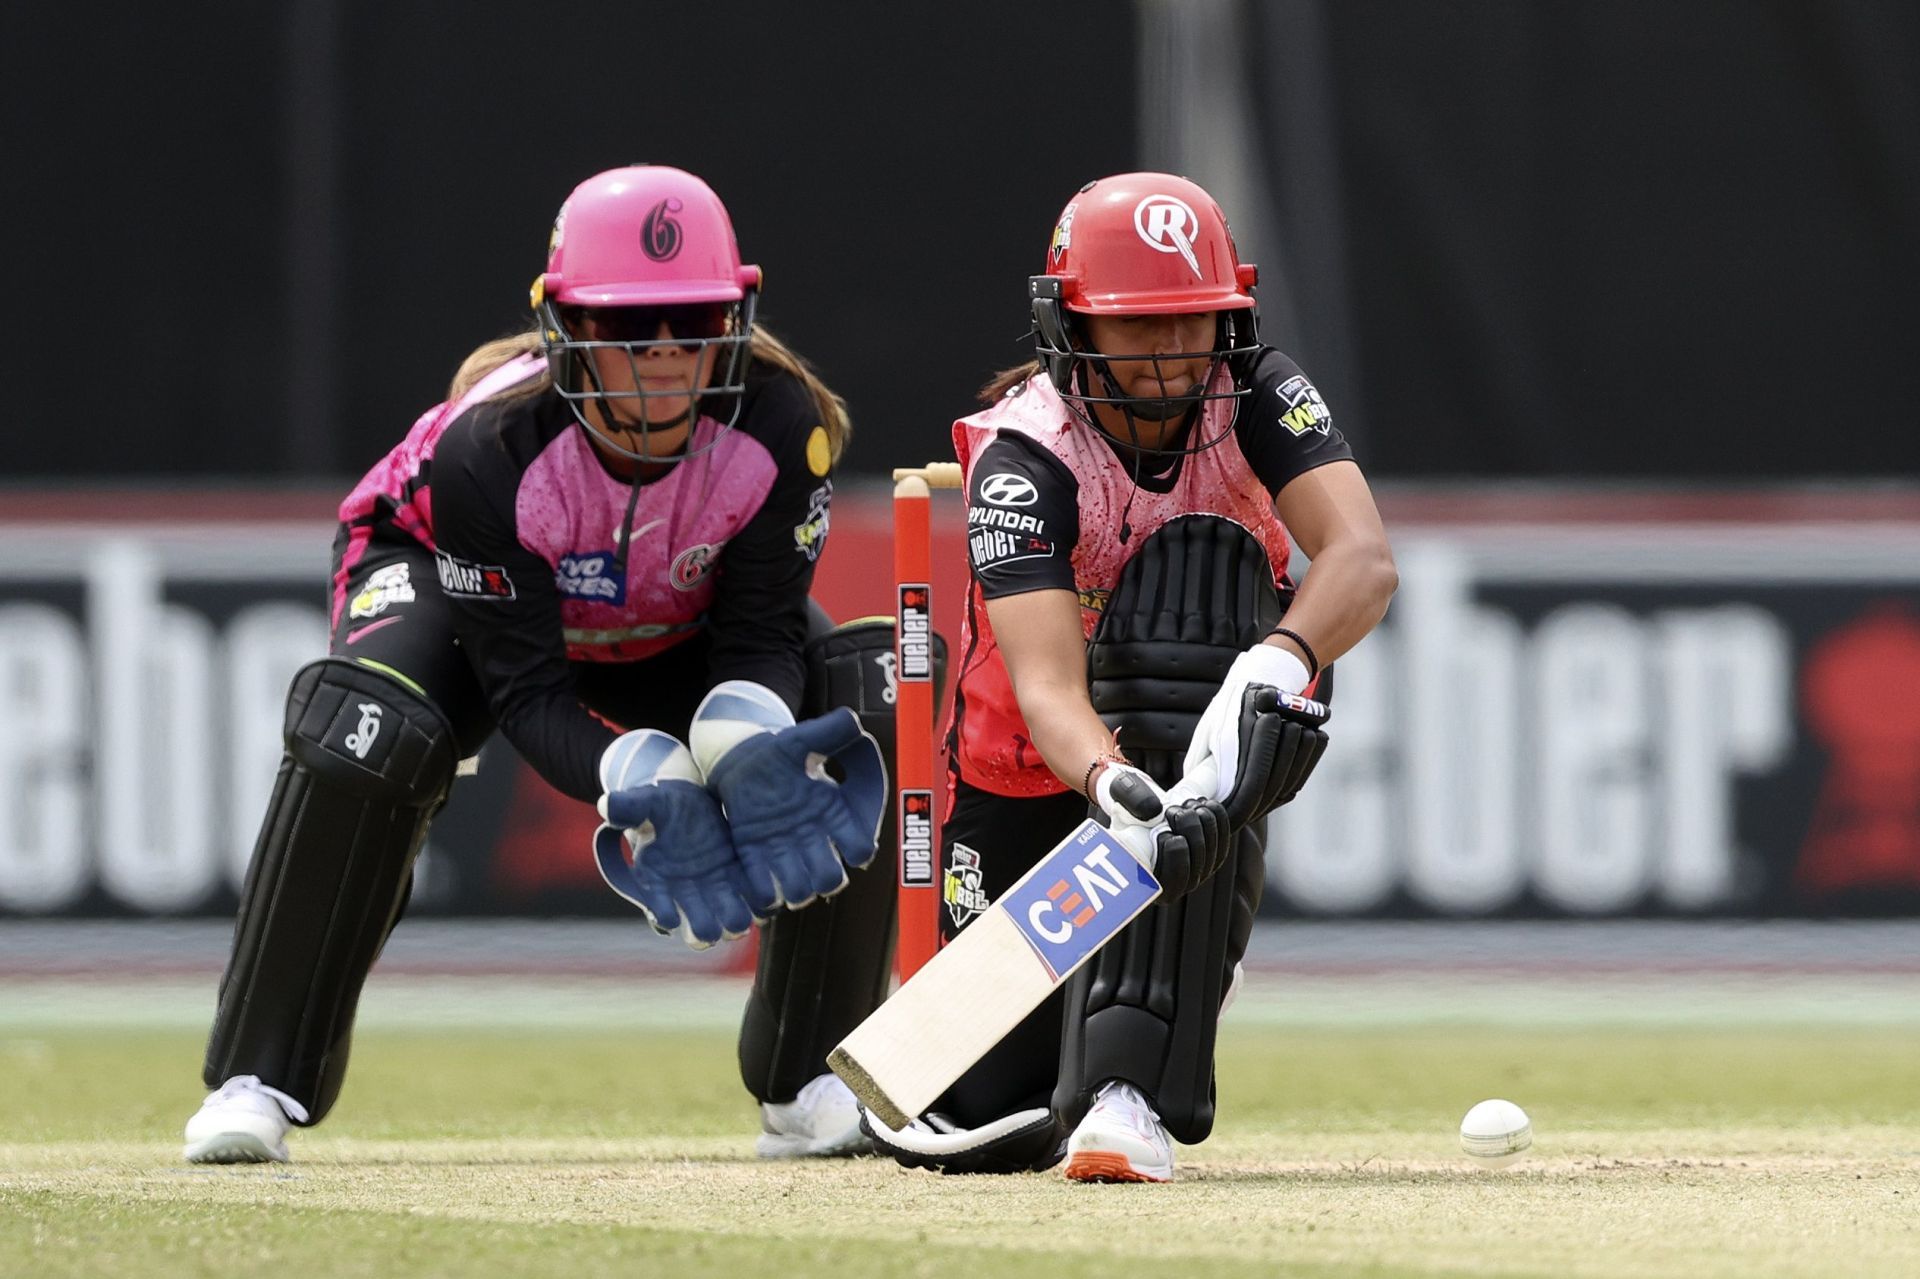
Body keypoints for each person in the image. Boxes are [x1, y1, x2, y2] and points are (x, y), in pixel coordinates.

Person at [183, 165, 903, 1164]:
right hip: (442, 576)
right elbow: (523, 689)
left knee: (860, 695)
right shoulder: (489, 447)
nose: (662, 356)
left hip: (667, 616)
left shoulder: (786, 428)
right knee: (373, 733)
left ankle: (810, 1074)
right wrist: (644, 776)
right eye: (625, 326)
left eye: (690, 320)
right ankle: (257, 1077)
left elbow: (760, 637)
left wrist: (743, 739)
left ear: (735, 315)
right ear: (564, 324)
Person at [865, 173, 1397, 1182]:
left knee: (1198, 606)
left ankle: (1129, 1088)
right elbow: (1049, 689)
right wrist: (1116, 792)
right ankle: (1081, 1051)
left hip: (1197, 735)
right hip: (1029, 777)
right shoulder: (1026, 455)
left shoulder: (1260, 393)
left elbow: (1362, 558)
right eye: (1139, 329)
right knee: (990, 1109)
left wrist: (1272, 666)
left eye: (1193, 324)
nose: (1171, 359)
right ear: (1072, 325)